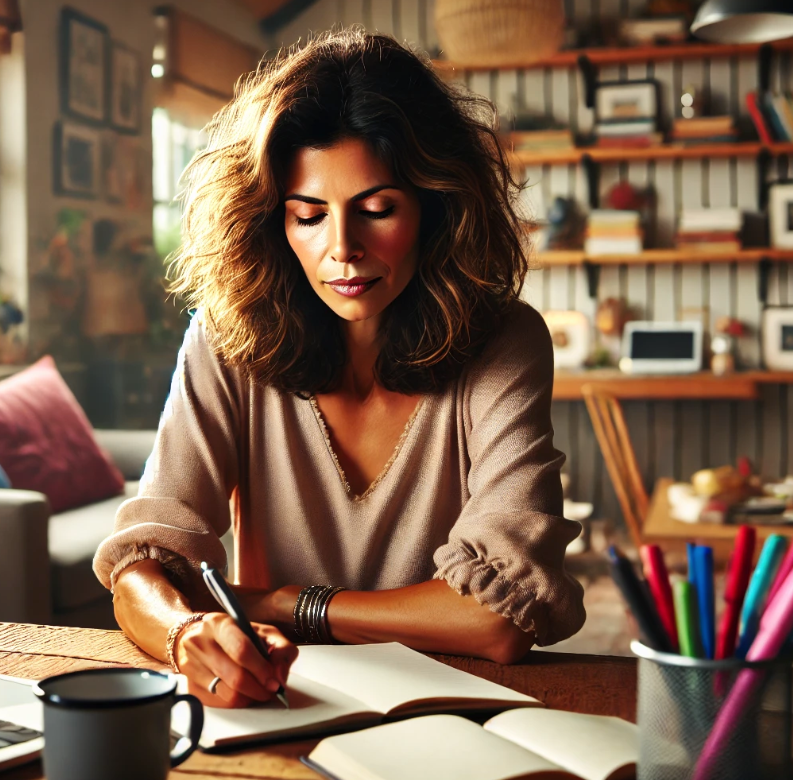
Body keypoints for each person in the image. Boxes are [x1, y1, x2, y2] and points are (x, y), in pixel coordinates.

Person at [92, 28, 584, 709]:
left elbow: (498, 621)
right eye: (309, 215)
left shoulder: (505, 341)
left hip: (451, 711)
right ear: (272, 221)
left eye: (377, 209)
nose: (343, 249)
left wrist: (286, 603)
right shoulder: (224, 341)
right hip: (277, 702)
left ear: (437, 208)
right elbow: (144, 565)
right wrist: (188, 631)